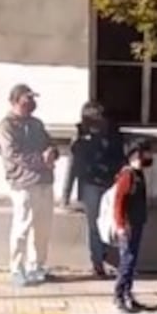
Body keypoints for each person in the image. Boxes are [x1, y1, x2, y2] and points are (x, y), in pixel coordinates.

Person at [0, 83, 59, 287]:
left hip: (44, 181)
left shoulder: (36, 124)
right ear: (15, 101)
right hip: (23, 182)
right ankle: (17, 268)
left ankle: (37, 265)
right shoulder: (7, 126)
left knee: (43, 227)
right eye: (27, 99)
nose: (32, 103)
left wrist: (52, 153)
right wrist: (41, 160)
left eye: (33, 99)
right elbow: (13, 154)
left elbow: (50, 143)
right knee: (22, 226)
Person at [62, 100, 124, 278]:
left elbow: (121, 161)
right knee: (95, 225)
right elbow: (73, 166)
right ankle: (98, 261)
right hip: (90, 185)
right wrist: (66, 193)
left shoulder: (113, 136)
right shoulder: (81, 138)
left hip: (111, 184)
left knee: (111, 222)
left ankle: (106, 258)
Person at [112, 139, 153, 313]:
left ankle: (128, 294)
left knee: (131, 261)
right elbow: (119, 202)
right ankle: (119, 295)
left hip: (137, 223)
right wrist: (121, 225)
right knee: (127, 262)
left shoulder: (138, 173)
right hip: (128, 225)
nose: (149, 156)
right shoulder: (127, 175)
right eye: (145, 153)